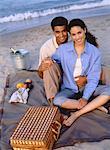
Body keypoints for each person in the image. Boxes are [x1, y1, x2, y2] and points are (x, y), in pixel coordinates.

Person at [51, 18, 110, 126]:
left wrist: (85, 97)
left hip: (87, 86)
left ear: (85, 30)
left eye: (79, 32)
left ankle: (77, 113)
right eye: (73, 34)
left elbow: (93, 78)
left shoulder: (94, 52)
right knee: (57, 100)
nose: (77, 37)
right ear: (71, 35)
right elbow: (54, 59)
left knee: (109, 91)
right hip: (69, 88)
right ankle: (95, 105)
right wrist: (47, 61)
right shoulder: (63, 49)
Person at [38, 16, 86, 103]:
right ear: (53, 32)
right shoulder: (46, 48)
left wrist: (85, 78)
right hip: (57, 79)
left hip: (75, 77)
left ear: (67, 30)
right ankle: (53, 104)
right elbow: (41, 75)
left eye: (64, 31)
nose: (61, 35)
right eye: (57, 32)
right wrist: (41, 68)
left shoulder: (75, 40)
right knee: (49, 66)